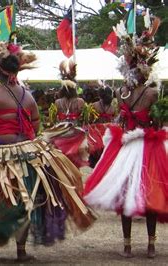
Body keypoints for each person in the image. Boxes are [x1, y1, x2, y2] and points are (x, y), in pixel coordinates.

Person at [0, 41, 95, 262]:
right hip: (29, 154)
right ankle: (20, 252)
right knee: (25, 201)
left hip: (1, 156)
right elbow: (35, 126)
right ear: (16, 70)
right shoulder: (28, 96)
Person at [84, 17, 167, 259]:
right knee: (151, 193)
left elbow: (121, 119)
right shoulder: (153, 92)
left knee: (125, 193)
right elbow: (158, 121)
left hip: (126, 145)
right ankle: (151, 245)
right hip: (148, 145)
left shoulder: (122, 92)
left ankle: (128, 246)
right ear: (146, 70)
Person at [42, 60, 89, 168]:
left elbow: (53, 120)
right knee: (76, 159)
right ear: (74, 88)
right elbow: (85, 119)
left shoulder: (57, 102)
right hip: (76, 132)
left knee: (62, 158)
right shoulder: (80, 102)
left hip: (60, 131)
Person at [86, 86, 117, 167]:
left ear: (99, 94)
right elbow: (114, 121)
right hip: (108, 134)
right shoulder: (113, 108)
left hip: (96, 134)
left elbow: (89, 120)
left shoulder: (93, 105)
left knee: (96, 159)